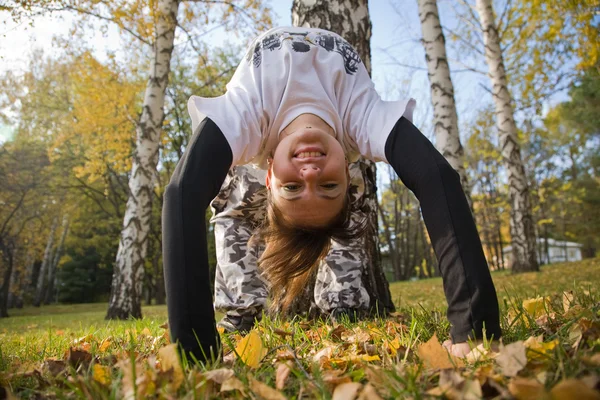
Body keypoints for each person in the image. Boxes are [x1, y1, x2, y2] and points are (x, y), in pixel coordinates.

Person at [162, 26, 501, 363]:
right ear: (348, 175)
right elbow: (436, 177)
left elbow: (183, 192)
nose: (310, 173)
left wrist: (194, 353)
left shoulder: (247, 121)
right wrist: (474, 327)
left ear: (269, 176)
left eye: (292, 187)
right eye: (329, 186)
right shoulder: (361, 122)